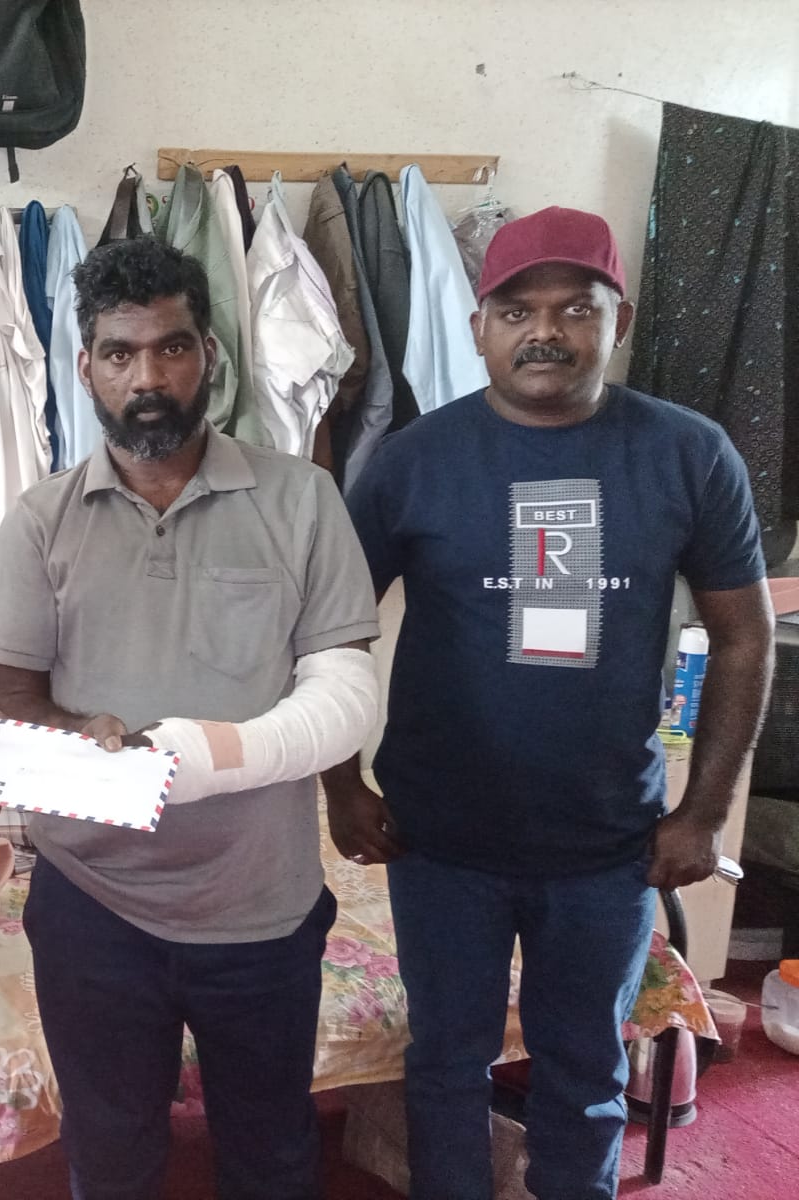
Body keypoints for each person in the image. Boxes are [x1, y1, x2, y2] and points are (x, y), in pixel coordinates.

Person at [324, 206, 775, 1200]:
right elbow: (330, 630)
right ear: (479, 326)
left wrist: (702, 811)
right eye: (517, 309)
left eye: (577, 307)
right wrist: (340, 785)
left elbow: (744, 635)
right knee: (446, 1062)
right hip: (441, 841)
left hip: (606, 843)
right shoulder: (412, 460)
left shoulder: (688, 454)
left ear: (619, 321)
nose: (546, 330)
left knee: (585, 1070)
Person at [0, 236, 383, 1200]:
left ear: (209, 354)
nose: (148, 378)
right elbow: (14, 705)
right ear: (86, 366)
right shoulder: (40, 518)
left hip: (260, 905)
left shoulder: (303, 498)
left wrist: (204, 759)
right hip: (92, 903)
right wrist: (90, 751)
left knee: (272, 1155)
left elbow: (341, 695)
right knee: (111, 1156)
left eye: (171, 348)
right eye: (119, 354)